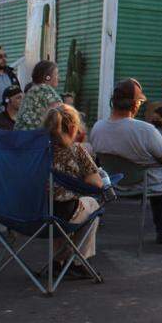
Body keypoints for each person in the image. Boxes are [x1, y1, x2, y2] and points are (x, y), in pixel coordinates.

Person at [90, 80, 162, 249]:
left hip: (116, 184)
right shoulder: (145, 129)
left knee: (157, 176)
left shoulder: (98, 127)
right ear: (135, 105)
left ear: (113, 102)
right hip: (144, 182)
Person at [45, 105, 104, 278]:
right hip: (62, 214)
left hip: (34, 212)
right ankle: (78, 261)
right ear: (72, 128)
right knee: (92, 204)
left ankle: (58, 262)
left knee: (59, 205)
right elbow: (96, 183)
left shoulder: (38, 150)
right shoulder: (77, 150)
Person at [14, 60, 62, 131]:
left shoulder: (32, 90)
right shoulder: (45, 89)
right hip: (35, 137)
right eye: (56, 74)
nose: (59, 78)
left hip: (20, 137)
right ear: (47, 77)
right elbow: (60, 115)